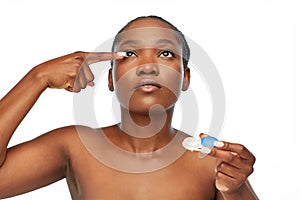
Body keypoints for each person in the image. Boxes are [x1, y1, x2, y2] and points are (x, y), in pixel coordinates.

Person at [0, 15, 258, 199]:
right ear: (111, 79)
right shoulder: (75, 146)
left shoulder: (211, 163)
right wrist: (37, 77)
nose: (148, 66)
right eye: (130, 55)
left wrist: (236, 189)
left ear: (185, 78)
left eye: (166, 54)